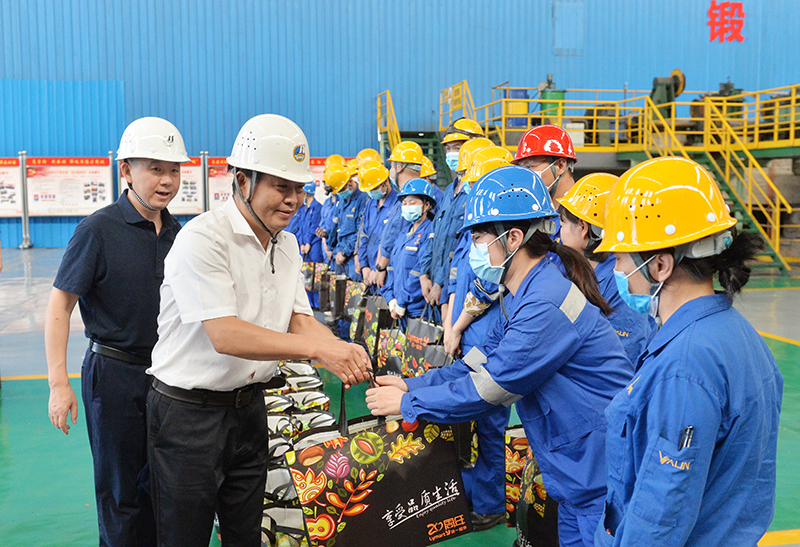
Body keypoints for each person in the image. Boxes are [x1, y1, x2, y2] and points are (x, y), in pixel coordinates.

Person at [366, 166, 633, 547]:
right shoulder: (521, 294)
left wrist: (411, 402)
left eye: (477, 238)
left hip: (597, 468)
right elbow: (478, 361)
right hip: (575, 468)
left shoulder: (544, 301)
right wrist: (412, 383)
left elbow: (492, 387)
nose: (474, 250)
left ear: (513, 238)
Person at [146, 114, 370, 547]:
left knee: (246, 532)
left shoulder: (285, 244)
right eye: (281, 187)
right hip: (189, 416)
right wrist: (319, 353)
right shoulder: (203, 239)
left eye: (299, 189)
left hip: (249, 410)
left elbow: (298, 318)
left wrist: (343, 350)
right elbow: (226, 335)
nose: (293, 200)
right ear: (243, 181)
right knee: (183, 536)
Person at [593, 156, 783, 546]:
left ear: (660, 265)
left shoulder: (686, 364)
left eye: (621, 258)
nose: (616, 268)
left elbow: (661, 511)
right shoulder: (736, 333)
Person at [44, 117, 190, 547]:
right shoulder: (98, 229)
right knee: (121, 493)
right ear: (125, 170)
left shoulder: (180, 234)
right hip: (113, 376)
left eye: (174, 170)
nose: (166, 181)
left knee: (165, 489)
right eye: (155, 168)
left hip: (168, 377)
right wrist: (58, 383)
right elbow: (60, 305)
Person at [443, 146, 515, 531]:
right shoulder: (475, 230)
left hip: (485, 342)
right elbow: (458, 280)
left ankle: (490, 505)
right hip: (467, 336)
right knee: (469, 423)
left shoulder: (499, 238)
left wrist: (455, 329)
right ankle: (472, 491)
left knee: (488, 425)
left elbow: (484, 290)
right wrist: (449, 324)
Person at [558, 172, 653, 364]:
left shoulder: (621, 281)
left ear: (583, 228)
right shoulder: (579, 268)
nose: (559, 232)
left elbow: (623, 357)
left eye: (563, 223)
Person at [382, 178, 437, 323]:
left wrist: (402, 302)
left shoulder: (430, 233)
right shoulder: (403, 234)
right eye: (404, 203)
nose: (407, 207)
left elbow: (419, 270)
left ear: (426, 205)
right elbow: (392, 267)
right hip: (399, 309)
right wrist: (391, 299)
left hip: (417, 311)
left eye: (412, 203)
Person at [373, 141, 425, 289]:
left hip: (405, 277)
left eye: (392, 166)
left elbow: (394, 235)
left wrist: (380, 267)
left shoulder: (410, 201)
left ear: (399, 167)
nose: (391, 171)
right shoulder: (402, 198)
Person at [356, 158, 398, 286]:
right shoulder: (370, 204)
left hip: (387, 273)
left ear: (386, 182)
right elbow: (364, 235)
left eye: (374, 188)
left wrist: (379, 269)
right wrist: (364, 267)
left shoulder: (397, 204)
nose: (371, 192)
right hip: (369, 273)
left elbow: (392, 243)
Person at [512, 124, 577, 202]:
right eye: (521, 168)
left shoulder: (586, 211)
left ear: (560, 165)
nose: (524, 174)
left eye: (529, 166)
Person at [332, 160, 368, 281]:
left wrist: (344, 252)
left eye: (342, 190)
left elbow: (360, 231)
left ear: (350, 182)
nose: (341, 194)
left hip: (352, 257)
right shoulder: (343, 200)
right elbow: (339, 230)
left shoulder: (362, 199)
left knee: (356, 295)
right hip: (341, 256)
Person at [296, 181, 324, 308]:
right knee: (305, 274)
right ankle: (308, 303)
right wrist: (302, 243)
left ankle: (317, 303)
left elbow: (314, 227)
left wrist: (308, 242)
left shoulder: (317, 207)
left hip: (314, 245)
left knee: (316, 274)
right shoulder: (302, 208)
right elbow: (300, 226)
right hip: (305, 245)